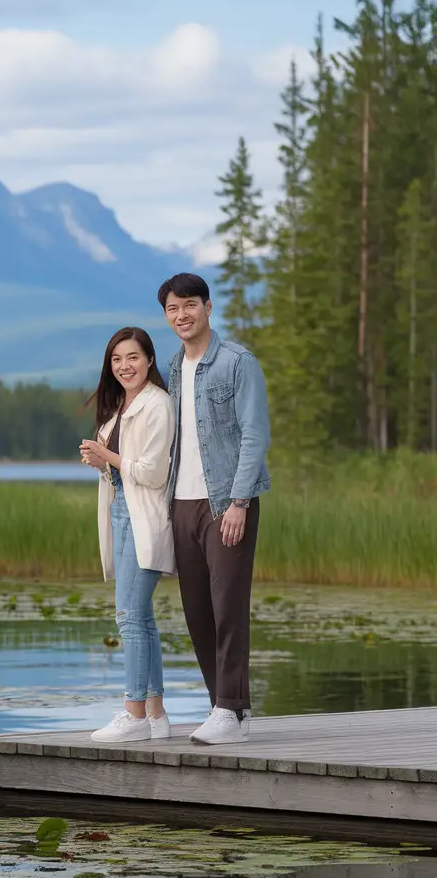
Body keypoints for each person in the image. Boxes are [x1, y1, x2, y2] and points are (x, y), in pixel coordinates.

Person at [158, 273, 270, 746]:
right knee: (197, 610)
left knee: (228, 608)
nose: (181, 315)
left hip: (227, 501)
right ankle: (224, 708)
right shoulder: (172, 368)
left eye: (189, 305)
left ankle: (230, 709)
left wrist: (239, 501)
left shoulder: (237, 362)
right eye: (172, 309)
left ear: (207, 307)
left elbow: (255, 434)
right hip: (181, 504)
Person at [80, 327, 176, 743]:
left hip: (145, 516)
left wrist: (109, 456)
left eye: (133, 357)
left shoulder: (159, 404)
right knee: (142, 617)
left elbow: (154, 474)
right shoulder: (120, 405)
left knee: (129, 617)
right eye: (117, 360)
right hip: (121, 510)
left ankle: (133, 713)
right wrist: (99, 462)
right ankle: (156, 715)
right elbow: (121, 470)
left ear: (149, 360)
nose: (125, 366)